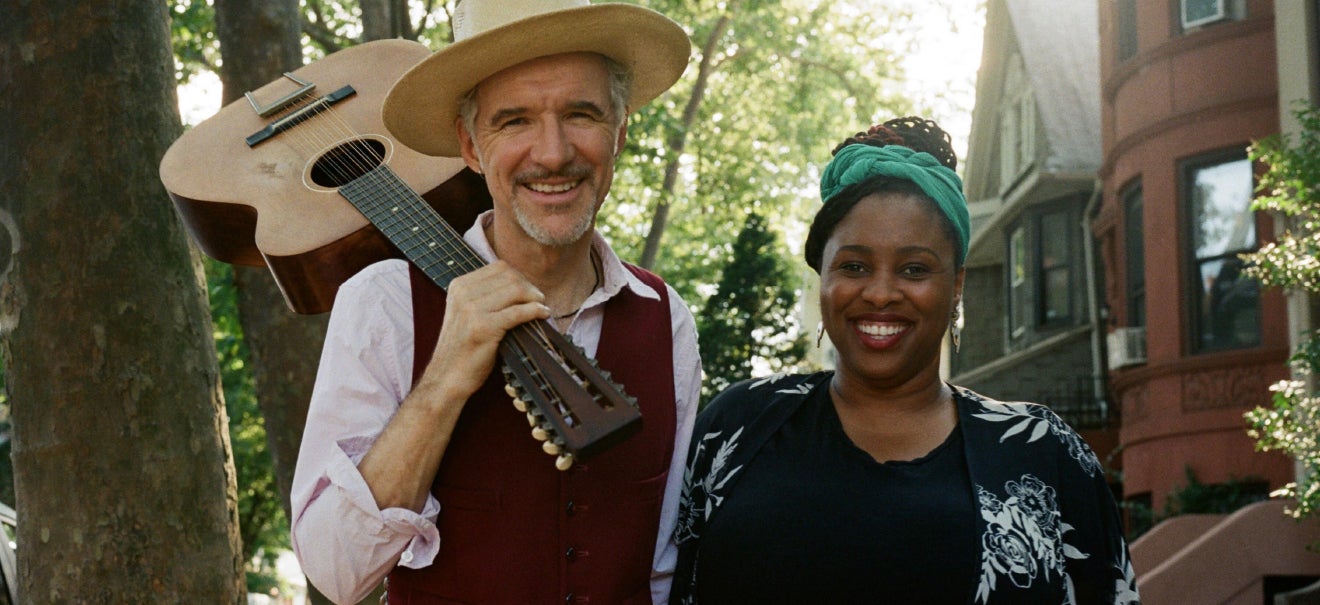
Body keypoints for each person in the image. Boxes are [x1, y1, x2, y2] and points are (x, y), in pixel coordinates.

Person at [288, 1, 700, 603]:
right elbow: (336, 571)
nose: (553, 153)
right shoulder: (385, 303)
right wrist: (446, 376)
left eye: (581, 114)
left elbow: (665, 563)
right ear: (471, 146)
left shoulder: (665, 317)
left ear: (620, 133)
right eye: (515, 121)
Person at [669, 117, 1140, 604]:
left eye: (914, 269)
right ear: (822, 276)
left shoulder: (1040, 451)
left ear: (956, 285)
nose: (880, 293)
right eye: (854, 266)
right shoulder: (740, 427)